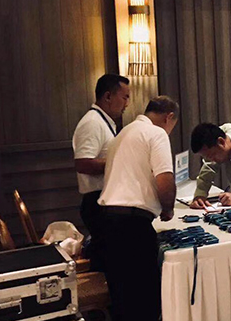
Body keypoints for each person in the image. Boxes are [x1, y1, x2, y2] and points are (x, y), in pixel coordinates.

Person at [98, 96, 180, 321]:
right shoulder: (156, 133)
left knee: (121, 299)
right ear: (169, 117)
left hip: (107, 221)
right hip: (132, 225)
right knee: (144, 300)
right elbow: (164, 178)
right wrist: (168, 209)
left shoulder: (122, 134)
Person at [71, 74, 130, 271]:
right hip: (97, 203)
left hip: (105, 201)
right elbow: (83, 164)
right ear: (108, 96)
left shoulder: (104, 122)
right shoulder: (92, 123)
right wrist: (119, 162)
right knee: (109, 264)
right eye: (125, 97)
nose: (127, 104)